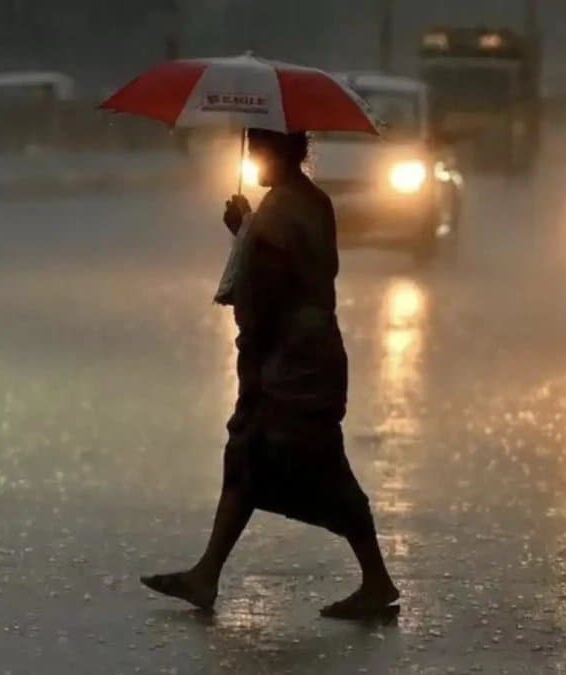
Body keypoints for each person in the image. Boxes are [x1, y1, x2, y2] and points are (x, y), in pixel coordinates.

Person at [141, 129, 399, 620]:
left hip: (292, 363)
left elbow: (270, 286)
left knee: (315, 465)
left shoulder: (279, 211)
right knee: (249, 457)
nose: (253, 157)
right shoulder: (310, 202)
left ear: (281, 152)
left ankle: (377, 580)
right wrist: (247, 230)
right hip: (309, 354)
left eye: (259, 149)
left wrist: (249, 234)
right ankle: (207, 574)